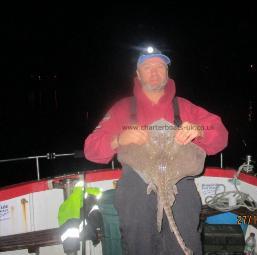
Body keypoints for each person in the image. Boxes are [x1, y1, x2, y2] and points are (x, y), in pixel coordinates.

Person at [84, 46, 228, 255]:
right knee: (139, 248)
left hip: (180, 185)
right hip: (137, 189)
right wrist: (118, 139)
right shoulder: (122, 109)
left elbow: (221, 135)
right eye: (147, 67)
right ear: (138, 74)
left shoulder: (184, 107)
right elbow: (91, 149)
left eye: (160, 66)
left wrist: (199, 131)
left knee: (185, 245)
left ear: (167, 73)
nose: (154, 71)